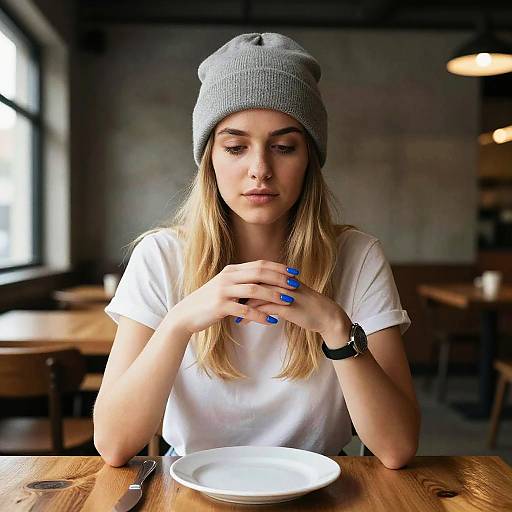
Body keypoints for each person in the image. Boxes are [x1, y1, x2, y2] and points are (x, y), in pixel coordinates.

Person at [93, 32, 420, 469]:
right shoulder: (160, 256)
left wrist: (335, 328)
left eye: (284, 147)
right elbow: (114, 445)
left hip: (322, 485)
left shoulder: (358, 256)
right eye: (235, 147)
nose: (260, 170)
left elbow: (397, 449)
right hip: (192, 485)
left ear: (310, 159)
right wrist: (179, 323)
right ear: (209, 158)